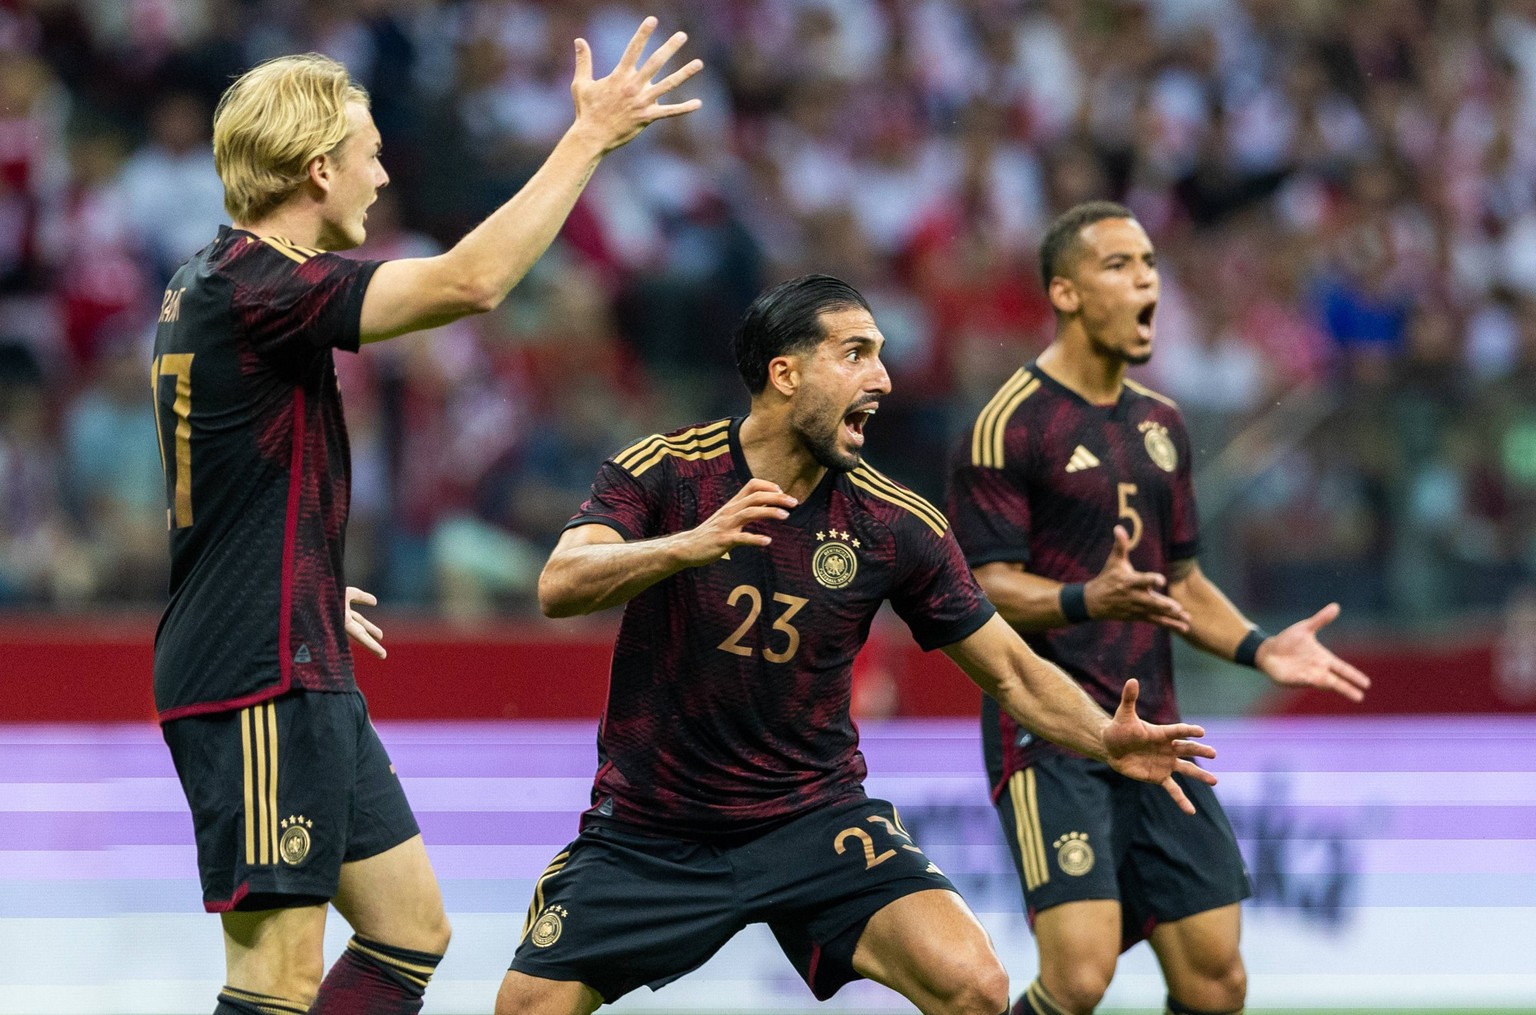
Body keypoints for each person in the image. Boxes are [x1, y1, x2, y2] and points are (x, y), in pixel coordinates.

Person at [149, 20, 701, 1015]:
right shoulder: (259, 285)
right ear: (318, 168)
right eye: (369, 152)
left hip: (284, 638)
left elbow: (228, 469)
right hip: (256, 666)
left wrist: (302, 574)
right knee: (273, 975)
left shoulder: (212, 283)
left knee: (409, 928)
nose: (382, 171)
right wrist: (587, 140)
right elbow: (470, 282)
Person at [495, 274, 1220, 1015]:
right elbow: (561, 583)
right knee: (524, 1008)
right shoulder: (668, 469)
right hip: (653, 828)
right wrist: (689, 544)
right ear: (786, 372)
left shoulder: (895, 521)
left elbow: (1012, 670)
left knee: (977, 987)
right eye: (857, 353)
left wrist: (1106, 736)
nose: (884, 377)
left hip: (812, 818)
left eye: (880, 354)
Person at [944, 201, 1372, 1015]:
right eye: (1119, 265)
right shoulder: (1007, 425)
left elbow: (1181, 581)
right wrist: (1084, 597)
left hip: (1157, 727)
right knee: (1078, 976)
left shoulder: (1161, 422)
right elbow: (979, 588)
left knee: (1217, 980)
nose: (1146, 280)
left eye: (1149, 264)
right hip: (1052, 733)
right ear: (1065, 292)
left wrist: (1258, 647)